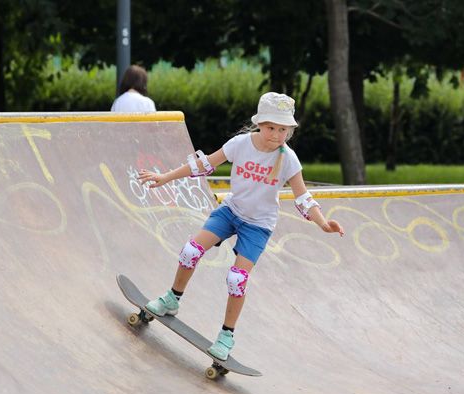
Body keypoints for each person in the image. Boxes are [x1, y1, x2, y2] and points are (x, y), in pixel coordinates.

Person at [137, 92, 344, 361]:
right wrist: (166, 177)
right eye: (271, 128)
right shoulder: (240, 144)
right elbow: (205, 163)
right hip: (231, 211)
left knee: (237, 279)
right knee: (190, 250)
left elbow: (303, 197)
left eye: (283, 130)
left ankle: (226, 335)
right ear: (259, 124)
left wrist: (324, 223)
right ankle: (172, 299)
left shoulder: (288, 159)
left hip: (258, 226)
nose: (276, 135)